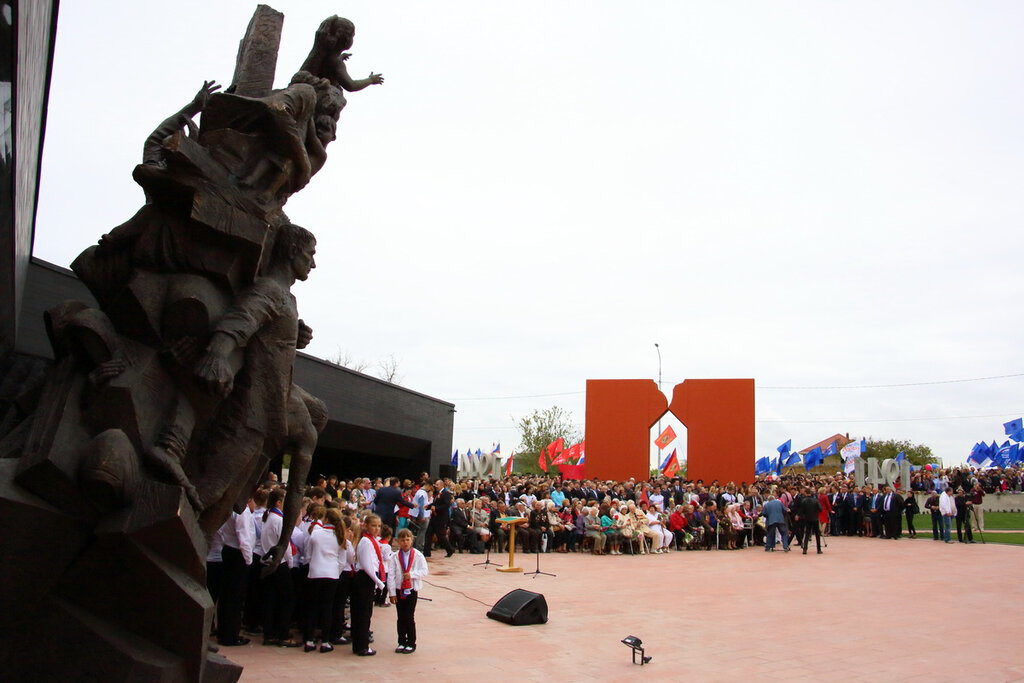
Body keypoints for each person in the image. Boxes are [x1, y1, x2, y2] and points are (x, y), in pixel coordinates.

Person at [303, 509, 345, 652]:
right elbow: (342, 560)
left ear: (326, 519)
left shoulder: (316, 533)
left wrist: (312, 563)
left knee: (312, 607)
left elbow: (308, 554)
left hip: (315, 572)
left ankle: (309, 640)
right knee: (327, 608)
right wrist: (335, 572)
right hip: (332, 574)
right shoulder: (339, 535)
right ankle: (325, 641)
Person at [387, 528, 428, 654]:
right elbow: (391, 575)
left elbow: (424, 571)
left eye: (407, 540)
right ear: (398, 541)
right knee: (400, 616)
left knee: (409, 616)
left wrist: (412, 574)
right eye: (402, 540)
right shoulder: (395, 556)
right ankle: (401, 641)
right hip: (399, 590)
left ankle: (411, 642)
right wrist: (392, 593)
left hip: (411, 589)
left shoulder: (417, 555)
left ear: (412, 540)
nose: (405, 542)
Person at [351, 514, 386, 656]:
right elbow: (367, 564)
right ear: (366, 526)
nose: (376, 529)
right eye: (373, 525)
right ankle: (361, 646)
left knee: (365, 612)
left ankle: (361, 643)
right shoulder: (365, 541)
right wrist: (379, 582)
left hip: (368, 579)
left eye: (378, 526)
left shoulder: (372, 541)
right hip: (364, 579)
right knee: (362, 614)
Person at [793, 487, 822, 554]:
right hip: (815, 518)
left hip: (807, 518)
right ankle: (819, 549)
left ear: (806, 493)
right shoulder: (815, 500)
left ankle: (805, 548)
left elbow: (801, 510)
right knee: (817, 534)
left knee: (807, 534)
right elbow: (820, 509)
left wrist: (799, 515)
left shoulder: (804, 500)